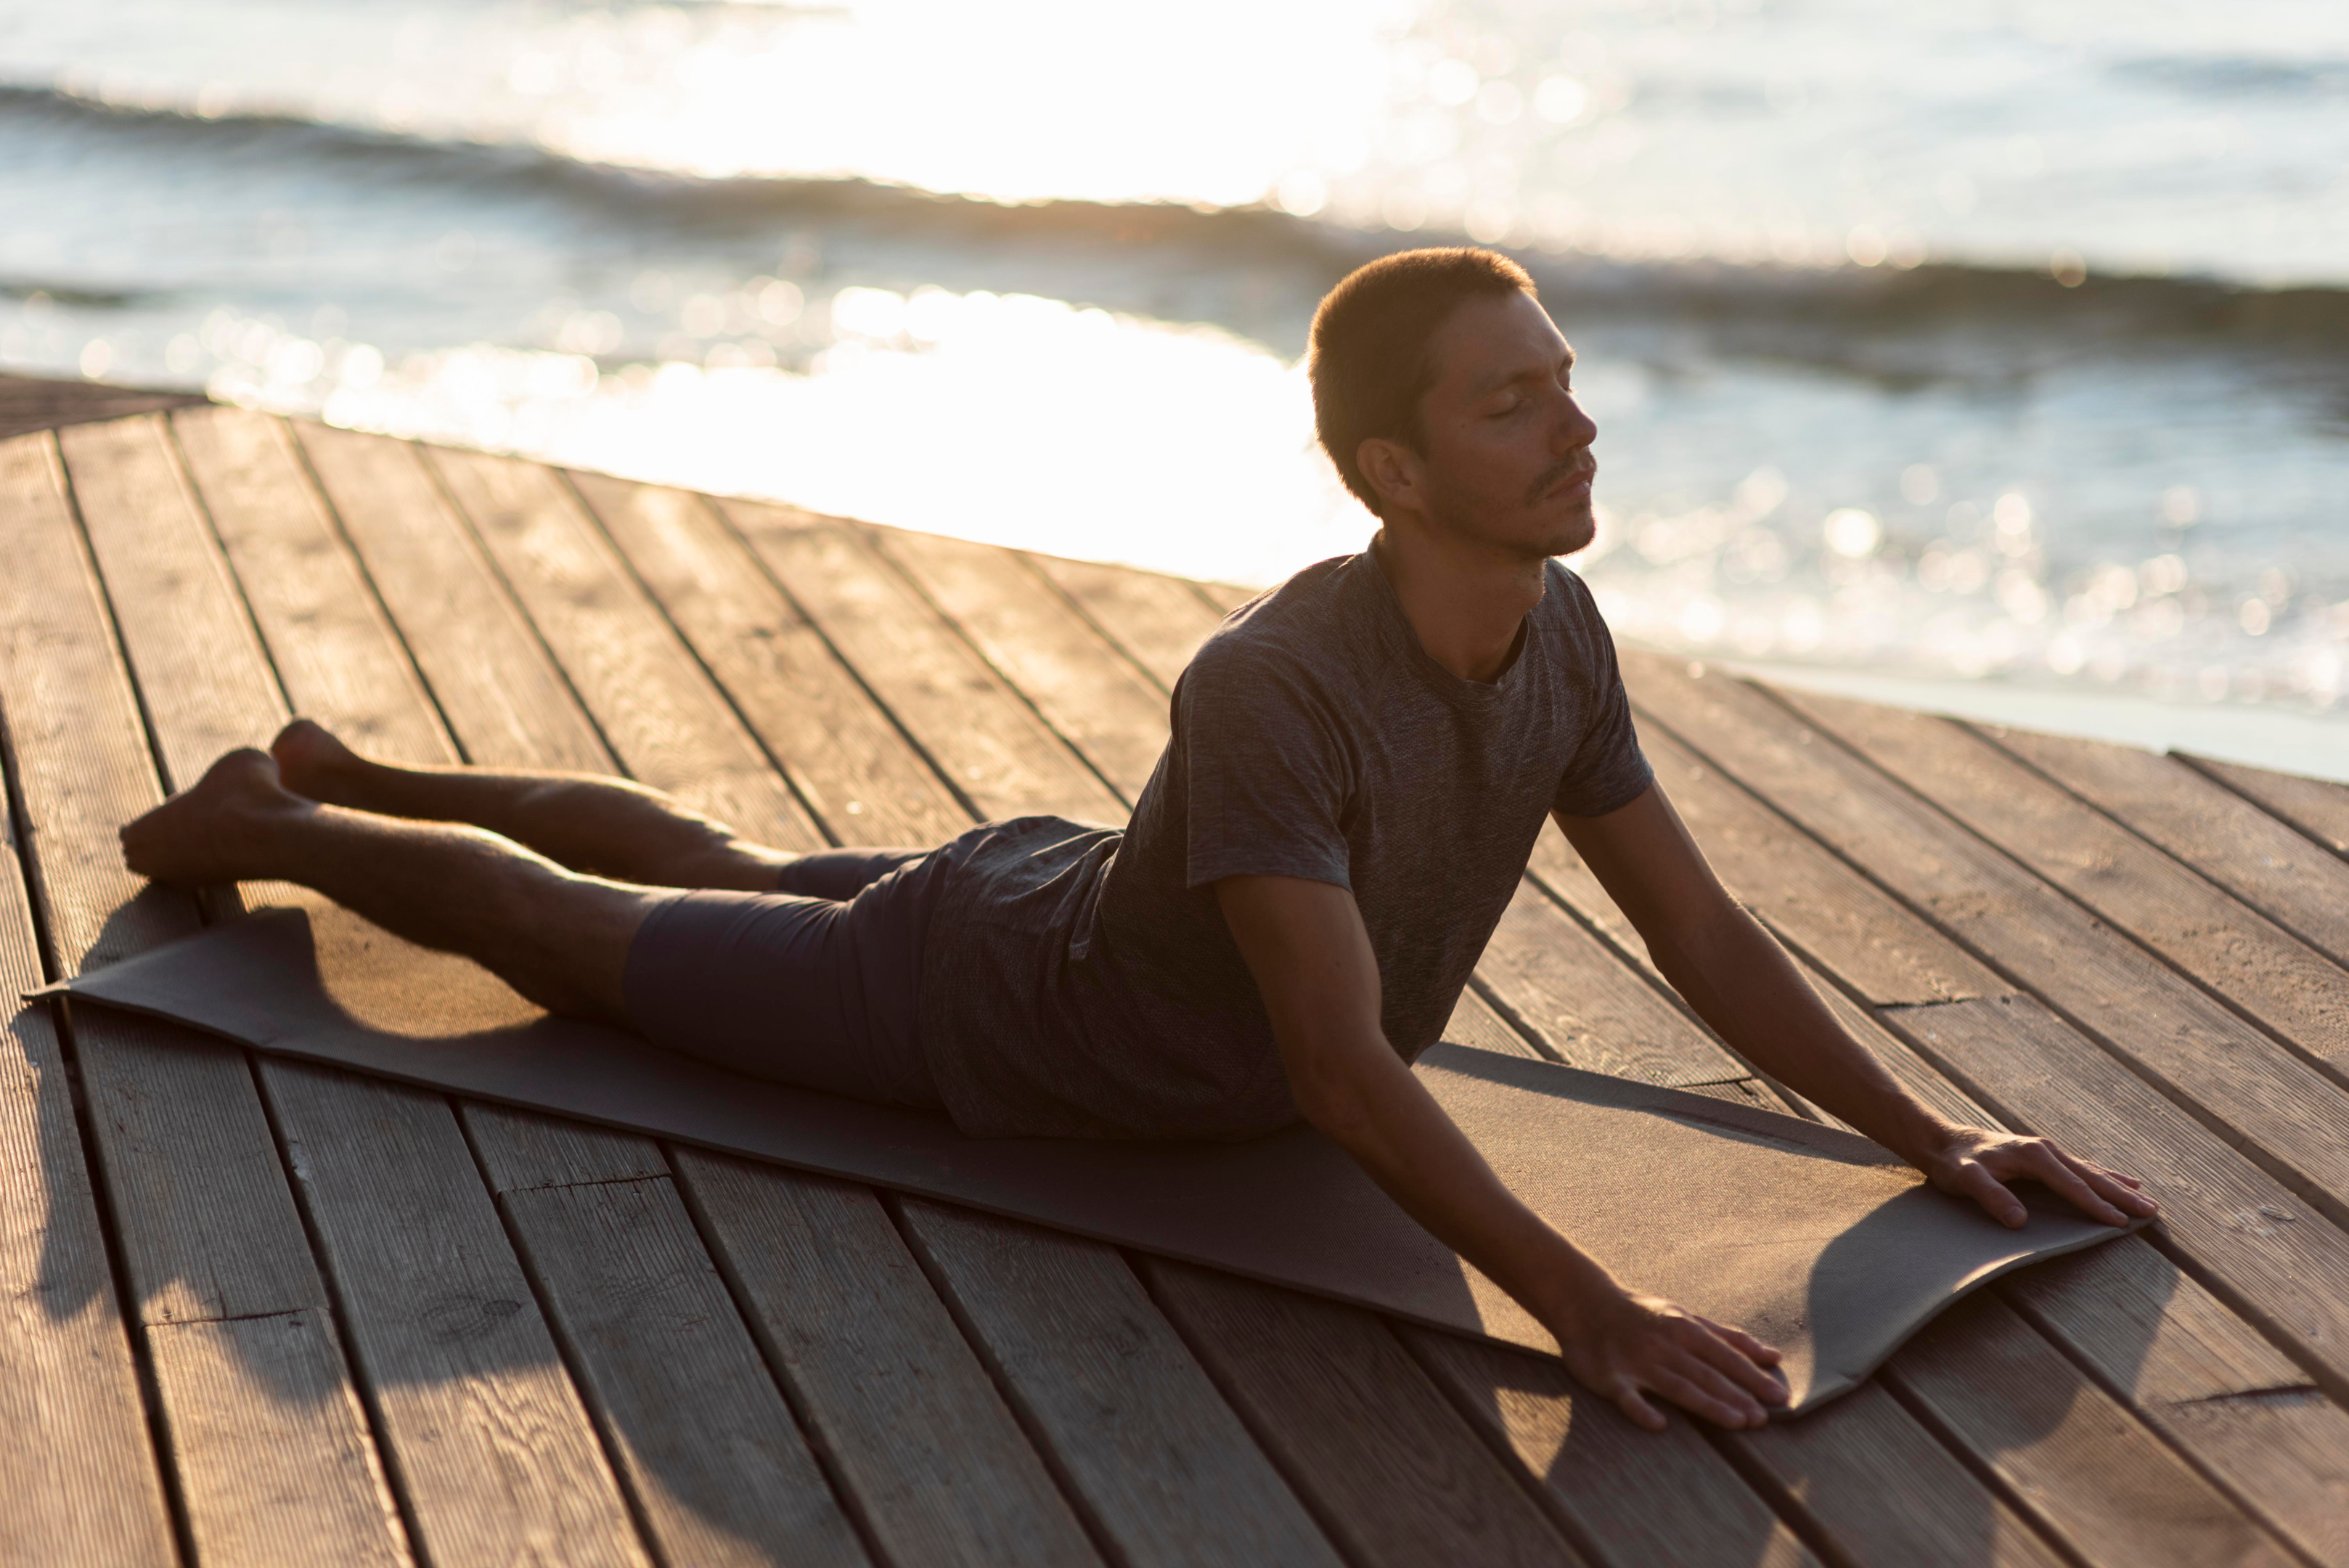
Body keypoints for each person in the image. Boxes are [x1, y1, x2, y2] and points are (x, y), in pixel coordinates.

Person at [120, 247, 2154, 1433]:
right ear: (1389, 470)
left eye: (1565, 386)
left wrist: (1929, 1144)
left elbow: (1705, 943)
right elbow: (1344, 1075)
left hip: (1055, 897)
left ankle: (353, 772)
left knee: (716, 858)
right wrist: (1589, 1308)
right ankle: (281, 821)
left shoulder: (1560, 634)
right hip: (983, 1010)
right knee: (577, 932)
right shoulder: (1276, 683)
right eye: (1511, 407)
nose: (1574, 428)